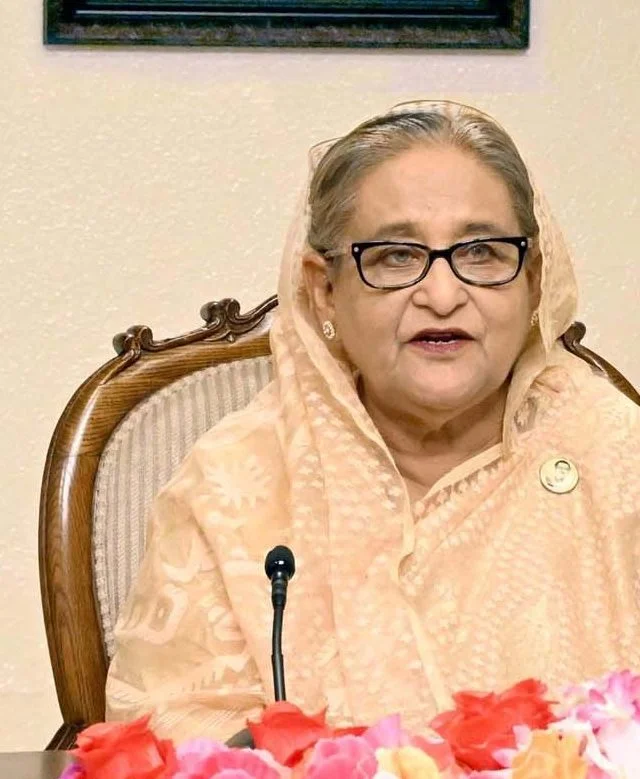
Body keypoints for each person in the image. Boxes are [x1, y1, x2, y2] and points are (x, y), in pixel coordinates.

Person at [105, 101, 640, 743]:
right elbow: (169, 736)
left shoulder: (618, 455)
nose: (442, 295)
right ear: (324, 289)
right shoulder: (236, 485)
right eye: (394, 256)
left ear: (533, 279)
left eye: (482, 252)